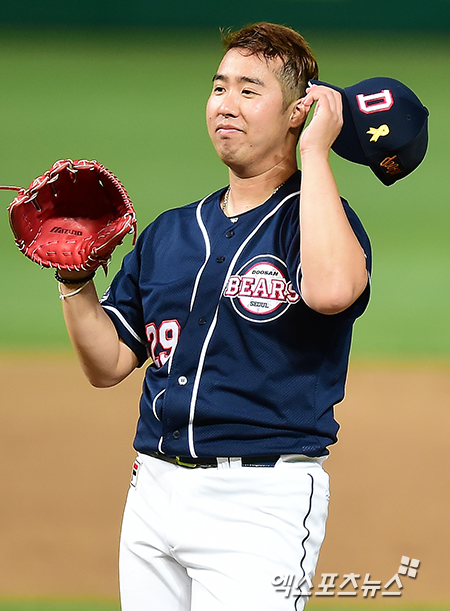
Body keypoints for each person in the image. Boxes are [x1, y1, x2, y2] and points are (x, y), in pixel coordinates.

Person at [56, 22, 371, 611]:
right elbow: (108, 364)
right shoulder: (169, 232)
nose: (226, 104)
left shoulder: (320, 222)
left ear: (296, 111)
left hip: (260, 501)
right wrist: (73, 281)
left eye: (250, 90)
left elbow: (331, 292)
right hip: (153, 488)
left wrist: (315, 153)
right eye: (220, 86)